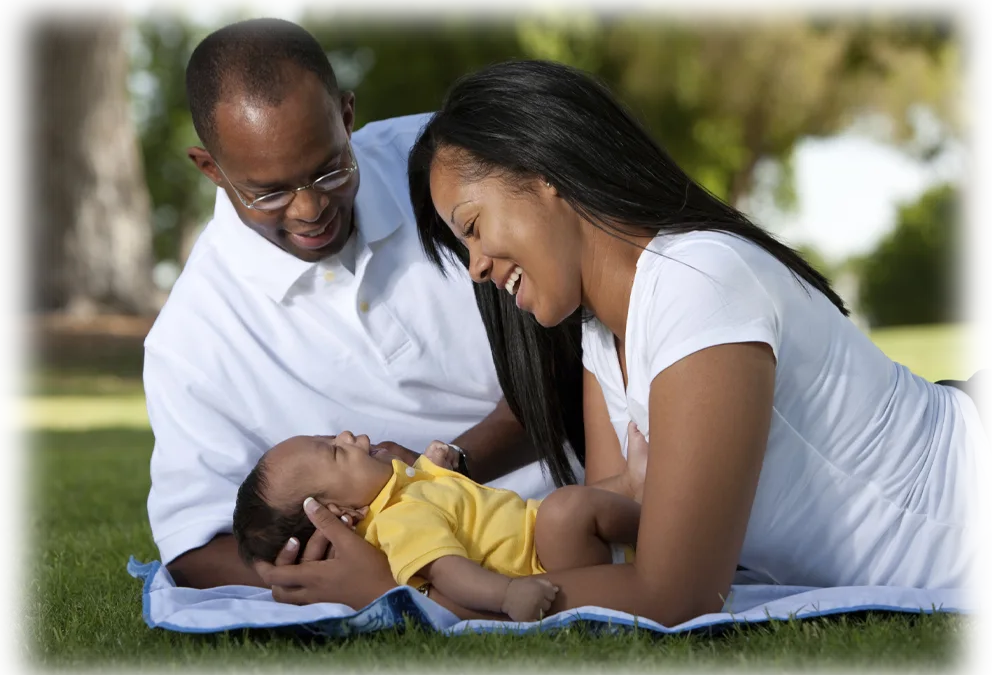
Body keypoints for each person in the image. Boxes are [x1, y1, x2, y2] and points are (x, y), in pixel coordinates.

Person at [255, 59, 992, 627]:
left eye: (473, 227)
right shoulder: (603, 334)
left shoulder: (697, 280)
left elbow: (672, 593)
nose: (476, 267)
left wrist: (412, 595)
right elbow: (617, 523)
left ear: (544, 175)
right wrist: (415, 540)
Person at [144, 20, 565, 592]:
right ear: (211, 170)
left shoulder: (449, 168)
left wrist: (434, 476)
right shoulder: (191, 341)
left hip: (584, 504)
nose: (310, 208)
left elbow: (573, 356)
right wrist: (381, 558)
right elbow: (193, 549)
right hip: (435, 560)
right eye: (269, 192)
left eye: (329, 169)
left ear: (347, 117)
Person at [232, 431, 641, 621]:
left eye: (331, 436)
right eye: (336, 453)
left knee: (567, 508)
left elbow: (440, 493)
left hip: (540, 540)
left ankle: (637, 497)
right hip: (541, 566)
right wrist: (508, 594)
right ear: (337, 510)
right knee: (566, 510)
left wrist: (436, 463)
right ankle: (654, 522)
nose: (348, 436)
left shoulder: (403, 489)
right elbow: (448, 571)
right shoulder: (399, 520)